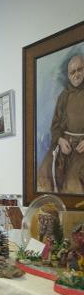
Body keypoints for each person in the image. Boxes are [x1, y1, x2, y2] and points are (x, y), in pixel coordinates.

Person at [38, 54, 84, 193]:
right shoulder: (63, 96)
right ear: (69, 76)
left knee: (72, 182)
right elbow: (56, 124)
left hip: (81, 148)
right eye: (72, 72)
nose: (76, 74)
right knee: (44, 172)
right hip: (64, 144)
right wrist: (60, 140)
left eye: (79, 69)